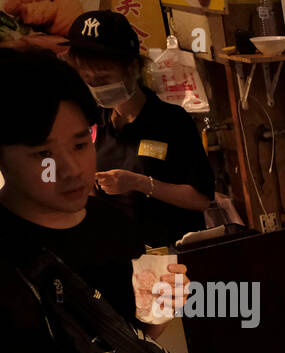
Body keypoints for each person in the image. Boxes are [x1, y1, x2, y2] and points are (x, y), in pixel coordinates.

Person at [0, 48, 187, 353]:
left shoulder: (109, 222)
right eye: (42, 154)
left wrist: (159, 312)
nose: (70, 169)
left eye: (80, 144)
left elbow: (125, 346)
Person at [62, 11, 214, 249]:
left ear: (132, 68)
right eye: (87, 80)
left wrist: (140, 183)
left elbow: (201, 199)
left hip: (170, 253)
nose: (95, 88)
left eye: (103, 79)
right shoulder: (94, 120)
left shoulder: (172, 122)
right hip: (118, 253)